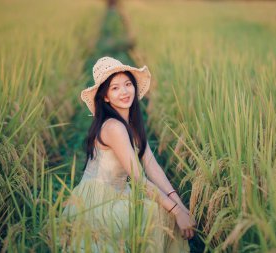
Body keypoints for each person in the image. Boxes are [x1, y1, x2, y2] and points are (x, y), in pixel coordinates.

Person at [58, 56, 196, 252]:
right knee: (158, 213)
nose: (124, 91)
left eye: (127, 84)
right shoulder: (114, 127)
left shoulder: (131, 124)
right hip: (98, 202)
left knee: (164, 210)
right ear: (105, 97)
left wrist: (179, 205)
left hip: (119, 194)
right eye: (114, 88)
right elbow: (139, 178)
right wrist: (176, 211)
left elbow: (152, 167)